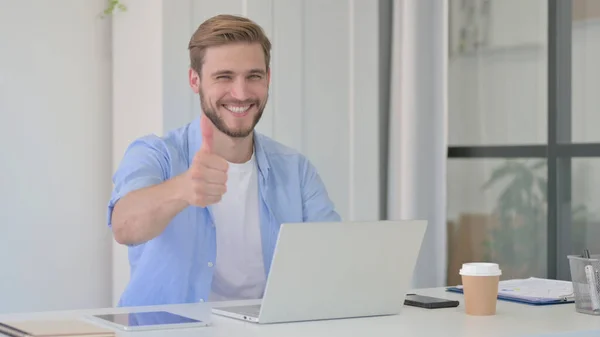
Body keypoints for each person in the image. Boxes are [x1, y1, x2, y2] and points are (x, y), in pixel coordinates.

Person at [107, 14, 341, 307]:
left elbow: (335, 261)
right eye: (224, 77)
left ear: (268, 78)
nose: (241, 93)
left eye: (253, 76)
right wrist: (182, 189)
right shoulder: (155, 154)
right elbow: (125, 227)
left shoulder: (296, 170)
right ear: (195, 80)